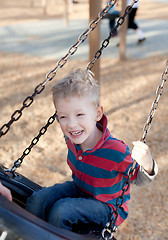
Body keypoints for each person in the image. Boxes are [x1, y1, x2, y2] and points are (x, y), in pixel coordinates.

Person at [25, 69, 158, 234]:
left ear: (97, 114)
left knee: (61, 211)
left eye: (80, 114)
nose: (71, 125)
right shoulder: (73, 139)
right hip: (80, 189)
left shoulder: (115, 151)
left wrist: (148, 164)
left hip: (107, 207)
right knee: (38, 200)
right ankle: (28, 234)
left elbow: (138, 178)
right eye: (63, 117)